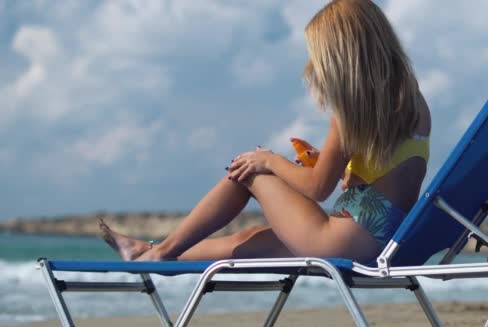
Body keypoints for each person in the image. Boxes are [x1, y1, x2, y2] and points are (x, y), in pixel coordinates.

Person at [99, 0, 431, 264]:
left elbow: (318, 189)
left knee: (246, 170)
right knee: (249, 240)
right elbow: (366, 185)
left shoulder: (349, 116)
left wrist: (269, 161)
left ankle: (160, 253)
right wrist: (333, 163)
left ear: (340, 60)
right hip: (377, 243)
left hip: (338, 242)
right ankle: (149, 250)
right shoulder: (413, 105)